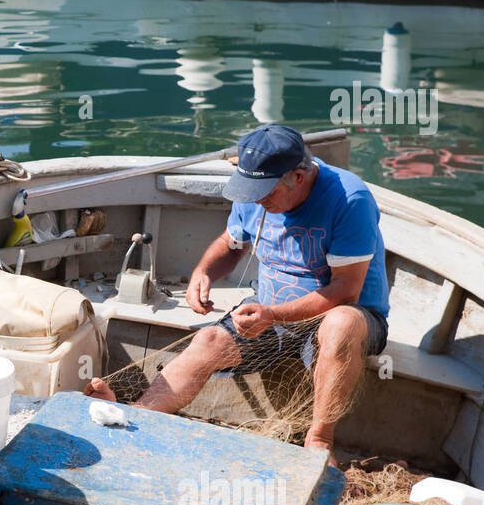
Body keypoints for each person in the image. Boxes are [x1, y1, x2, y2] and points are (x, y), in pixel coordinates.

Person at [86, 124, 389, 466]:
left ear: (298, 178)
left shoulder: (350, 200)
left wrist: (273, 315)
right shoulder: (256, 197)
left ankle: (319, 442)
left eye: (265, 192)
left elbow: (345, 291)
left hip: (346, 319)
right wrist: (203, 272)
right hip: (270, 315)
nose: (257, 199)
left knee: (341, 323)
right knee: (209, 340)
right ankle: (136, 416)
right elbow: (231, 245)